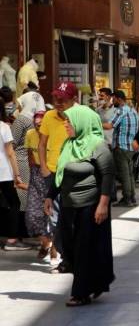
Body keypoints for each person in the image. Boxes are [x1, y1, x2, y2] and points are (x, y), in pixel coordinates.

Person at [43, 104, 115, 307]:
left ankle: (80, 293)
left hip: (90, 206)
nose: (66, 124)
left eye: (69, 121)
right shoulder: (69, 144)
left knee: (83, 248)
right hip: (68, 204)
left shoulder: (98, 145)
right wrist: (50, 196)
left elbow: (108, 176)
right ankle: (93, 281)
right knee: (66, 244)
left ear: (81, 122)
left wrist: (103, 204)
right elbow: (60, 173)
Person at [39, 82, 76, 269]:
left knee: (69, 215)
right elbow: (42, 143)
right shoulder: (48, 116)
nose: (58, 102)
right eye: (56, 98)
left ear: (73, 99)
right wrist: (44, 166)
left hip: (73, 173)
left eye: (63, 99)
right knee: (54, 215)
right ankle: (59, 252)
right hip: (52, 172)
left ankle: (66, 253)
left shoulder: (79, 116)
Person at [0, 95, 29, 251]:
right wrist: (17, 175)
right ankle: (12, 240)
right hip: (4, 172)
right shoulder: (4, 127)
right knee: (14, 203)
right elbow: (11, 153)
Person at [25, 111, 55, 260]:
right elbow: (29, 154)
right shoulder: (30, 134)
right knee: (32, 214)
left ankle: (55, 249)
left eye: (41, 125)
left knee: (54, 214)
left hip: (51, 173)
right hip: (36, 174)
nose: (38, 127)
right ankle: (45, 243)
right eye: (36, 124)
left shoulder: (53, 135)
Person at [104, 90, 139, 207]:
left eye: (113, 99)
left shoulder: (121, 111)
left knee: (124, 174)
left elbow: (109, 126)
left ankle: (127, 198)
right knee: (129, 174)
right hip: (130, 147)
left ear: (118, 99)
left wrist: (94, 122)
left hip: (121, 147)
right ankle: (132, 197)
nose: (112, 101)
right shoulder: (132, 110)